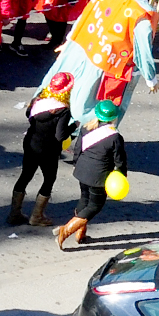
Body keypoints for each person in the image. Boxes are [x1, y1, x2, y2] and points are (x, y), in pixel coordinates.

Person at [57, 98, 128, 249]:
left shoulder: (86, 128)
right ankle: (66, 230)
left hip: (82, 170)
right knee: (95, 206)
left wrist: (76, 164)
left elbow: (78, 149)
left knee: (84, 199)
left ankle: (80, 234)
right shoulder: (115, 137)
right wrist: (122, 176)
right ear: (114, 117)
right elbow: (120, 161)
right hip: (99, 176)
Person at [10, 71, 78, 226]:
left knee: (25, 176)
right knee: (49, 179)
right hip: (48, 150)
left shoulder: (38, 100)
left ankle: (14, 214)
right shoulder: (63, 110)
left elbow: (28, 114)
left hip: (31, 143)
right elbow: (60, 136)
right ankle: (37, 216)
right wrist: (74, 125)